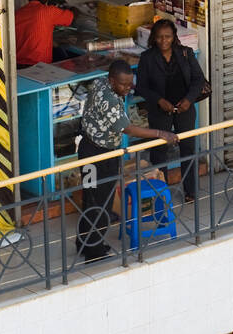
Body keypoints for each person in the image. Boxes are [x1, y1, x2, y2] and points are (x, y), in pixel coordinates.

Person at [75, 60, 181, 262]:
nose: (127, 89)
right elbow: (128, 128)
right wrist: (160, 133)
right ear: (112, 80)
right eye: (123, 84)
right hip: (100, 156)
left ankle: (85, 242)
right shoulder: (110, 100)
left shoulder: (99, 82)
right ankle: (93, 250)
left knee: (91, 197)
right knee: (101, 201)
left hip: (88, 150)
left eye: (129, 84)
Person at [135, 19, 210, 201]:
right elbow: (142, 88)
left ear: (174, 37)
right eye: (159, 37)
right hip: (160, 111)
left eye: (167, 37)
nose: (163, 41)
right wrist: (159, 100)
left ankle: (191, 192)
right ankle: (162, 193)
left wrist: (188, 100)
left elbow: (198, 79)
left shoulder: (186, 53)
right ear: (154, 38)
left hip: (184, 109)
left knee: (188, 149)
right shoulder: (147, 58)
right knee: (160, 152)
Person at [14, 0, 75, 68]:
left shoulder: (17, 14)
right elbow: (71, 18)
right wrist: (74, 8)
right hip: (40, 67)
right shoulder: (48, 12)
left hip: (18, 66)